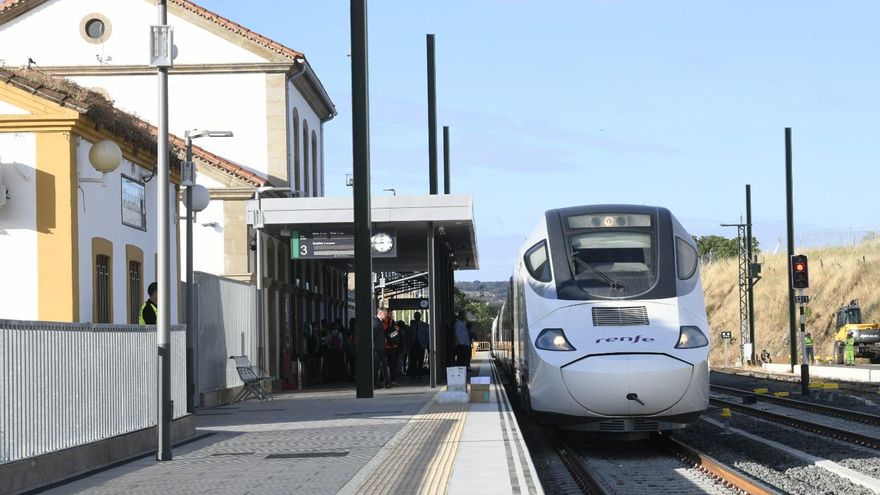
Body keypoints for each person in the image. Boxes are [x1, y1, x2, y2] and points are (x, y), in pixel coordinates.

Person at [373, 307, 390, 388]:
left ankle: (387, 383)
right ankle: (376, 383)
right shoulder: (376, 322)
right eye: (385, 313)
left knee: (383, 365)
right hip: (377, 348)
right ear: (380, 313)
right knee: (377, 366)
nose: (386, 315)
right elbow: (374, 334)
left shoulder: (379, 322)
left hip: (380, 347)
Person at [409, 312, 429, 378]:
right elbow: (410, 334)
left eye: (417, 316)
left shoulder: (424, 325)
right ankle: (414, 374)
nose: (416, 317)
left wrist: (426, 343)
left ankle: (420, 374)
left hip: (421, 345)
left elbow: (427, 335)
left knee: (420, 360)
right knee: (413, 360)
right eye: (415, 316)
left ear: (419, 317)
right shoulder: (412, 325)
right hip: (413, 344)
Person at [384, 317, 402, 387]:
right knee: (393, 365)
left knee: (385, 365)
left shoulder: (383, 324)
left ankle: (386, 380)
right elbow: (398, 335)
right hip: (393, 348)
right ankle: (392, 380)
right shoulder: (395, 327)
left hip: (386, 347)